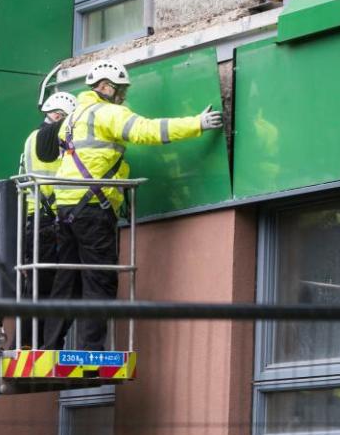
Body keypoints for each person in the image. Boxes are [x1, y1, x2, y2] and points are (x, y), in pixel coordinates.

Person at [41, 59, 223, 351]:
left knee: (67, 280)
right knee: (99, 280)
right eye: (120, 90)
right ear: (105, 87)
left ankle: (48, 345)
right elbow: (147, 131)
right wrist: (196, 125)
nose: (123, 96)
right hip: (92, 208)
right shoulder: (107, 113)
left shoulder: (73, 118)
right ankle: (91, 352)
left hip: (66, 207)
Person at [18, 91, 76, 347]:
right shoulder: (49, 140)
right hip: (49, 219)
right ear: (58, 116)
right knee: (48, 285)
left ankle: (33, 341)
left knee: (39, 284)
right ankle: (39, 342)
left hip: (37, 218)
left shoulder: (32, 138)